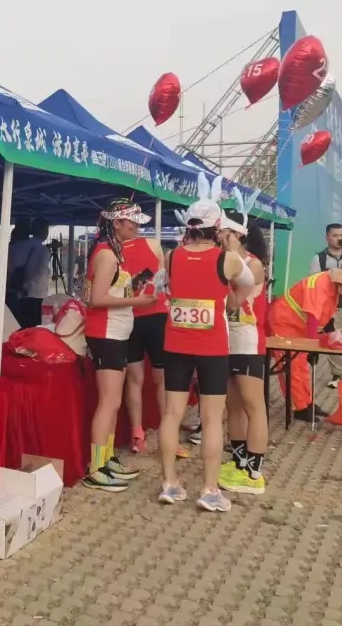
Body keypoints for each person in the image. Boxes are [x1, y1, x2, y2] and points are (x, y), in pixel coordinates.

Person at [158, 193, 253, 513]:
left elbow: (165, 287)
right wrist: (233, 302)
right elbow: (250, 282)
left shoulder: (171, 256)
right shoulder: (227, 259)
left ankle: (169, 483)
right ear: (217, 227)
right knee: (212, 418)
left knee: (171, 414)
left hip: (176, 342)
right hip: (212, 346)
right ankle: (209, 490)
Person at [82, 199, 156, 492]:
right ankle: (96, 468)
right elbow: (96, 298)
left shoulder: (112, 252)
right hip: (106, 333)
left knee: (112, 403)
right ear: (116, 224)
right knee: (109, 402)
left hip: (116, 332)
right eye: (132, 222)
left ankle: (107, 458)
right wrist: (137, 301)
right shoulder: (107, 255)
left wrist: (134, 293)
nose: (136, 227)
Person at [266, 265, 342, 420]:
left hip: (299, 325)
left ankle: (307, 403)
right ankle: (299, 408)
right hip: (285, 322)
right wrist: (313, 346)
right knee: (293, 366)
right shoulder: (319, 285)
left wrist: (330, 332)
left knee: (302, 367)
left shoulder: (333, 286)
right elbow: (313, 318)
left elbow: (325, 313)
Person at [217, 212, 269, 496]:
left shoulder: (253, 264)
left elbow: (234, 300)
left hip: (248, 340)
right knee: (233, 404)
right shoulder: (224, 260)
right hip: (225, 340)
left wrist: (230, 255)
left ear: (237, 234)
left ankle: (254, 472)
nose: (218, 236)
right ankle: (238, 462)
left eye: (223, 231)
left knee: (253, 405)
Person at [120, 230, 167, 454]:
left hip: (134, 317)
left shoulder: (109, 251)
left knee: (137, 379)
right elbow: (164, 279)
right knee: (159, 379)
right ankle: (159, 433)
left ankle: (139, 433)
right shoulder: (152, 244)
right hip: (148, 315)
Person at [309, 223, 342, 332]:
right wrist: (339, 273)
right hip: (329, 311)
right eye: (335, 235)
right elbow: (315, 286)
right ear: (327, 238)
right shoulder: (319, 259)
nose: (339, 239)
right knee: (330, 341)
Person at [7, 217, 51, 329]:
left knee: (19, 327)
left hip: (18, 293)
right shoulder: (42, 249)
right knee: (33, 329)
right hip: (36, 294)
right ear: (44, 230)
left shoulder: (16, 246)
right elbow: (37, 271)